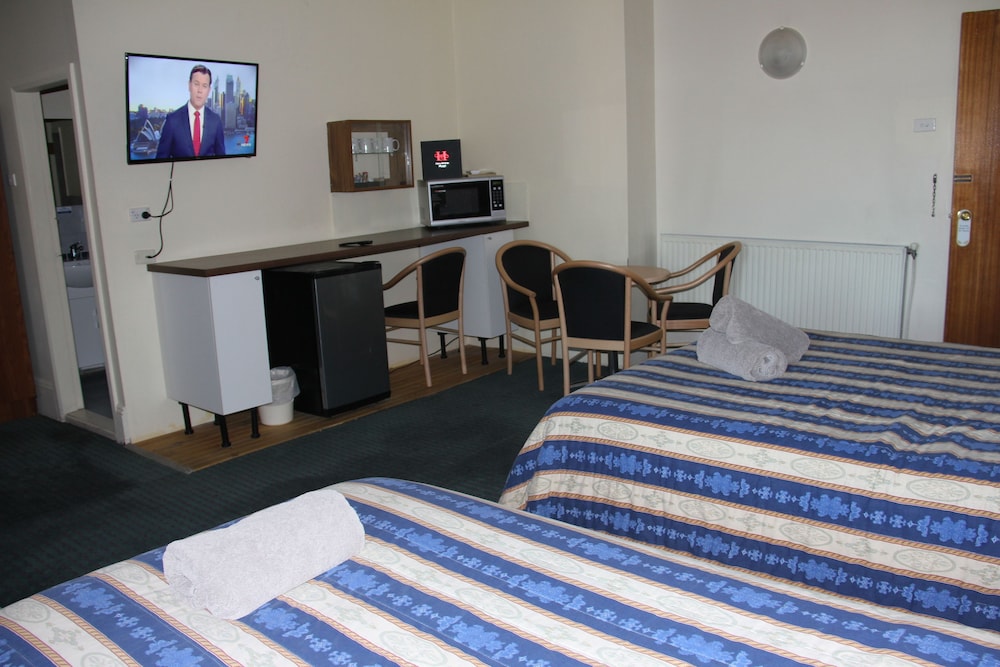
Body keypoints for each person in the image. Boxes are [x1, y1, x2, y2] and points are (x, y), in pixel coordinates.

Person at [155, 64, 225, 159]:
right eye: (196, 84)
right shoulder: (172, 120)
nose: (200, 90)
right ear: (189, 85)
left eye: (204, 86)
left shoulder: (215, 121)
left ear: (209, 90)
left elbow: (222, 160)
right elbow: (161, 160)